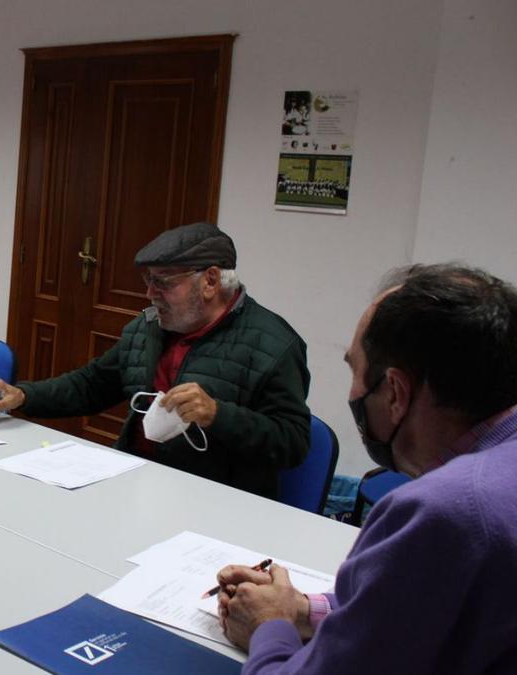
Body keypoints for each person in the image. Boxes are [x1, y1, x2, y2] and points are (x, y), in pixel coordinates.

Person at [216, 264, 517, 673]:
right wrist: (302, 610)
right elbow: (411, 613)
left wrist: (269, 626)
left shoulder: (445, 511)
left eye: (354, 370)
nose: (354, 391)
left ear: (395, 392)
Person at [0, 222, 310, 498]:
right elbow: (92, 384)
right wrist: (24, 395)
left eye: (162, 282)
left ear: (210, 280)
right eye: (147, 281)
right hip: (132, 482)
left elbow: (293, 442)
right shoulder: (148, 328)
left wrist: (217, 415)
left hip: (212, 500)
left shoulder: (273, 345)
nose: (150, 294)